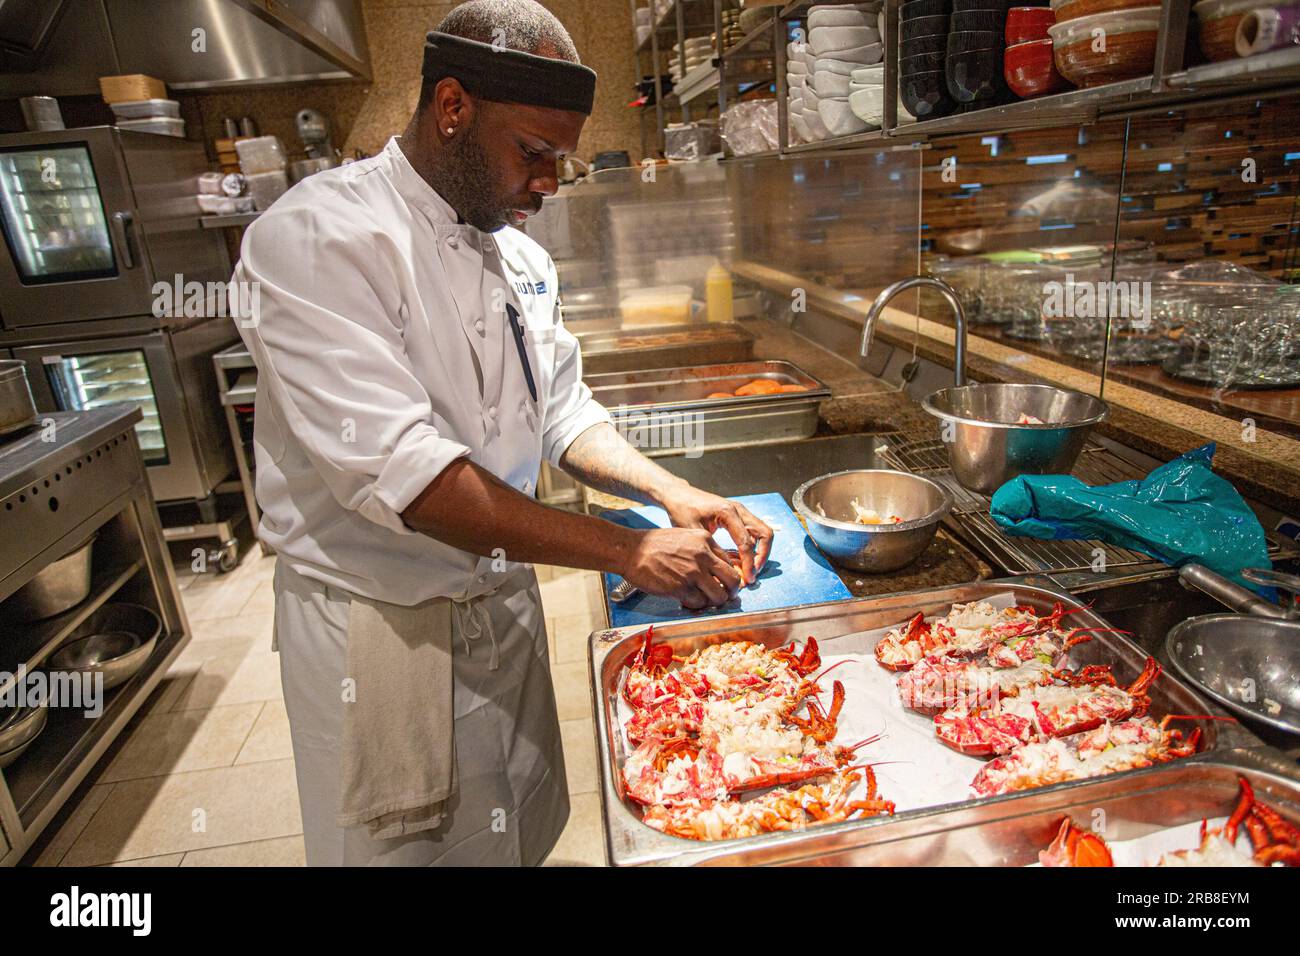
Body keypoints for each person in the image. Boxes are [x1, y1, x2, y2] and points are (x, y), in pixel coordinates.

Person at [231, 0, 773, 866]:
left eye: (561, 158)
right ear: (452, 108)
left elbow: (562, 411)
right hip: (386, 631)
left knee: (515, 832)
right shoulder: (313, 241)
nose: (551, 183)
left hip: (503, 607)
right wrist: (628, 551)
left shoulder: (517, 255)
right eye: (535, 153)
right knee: (413, 853)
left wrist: (669, 490)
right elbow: (416, 481)